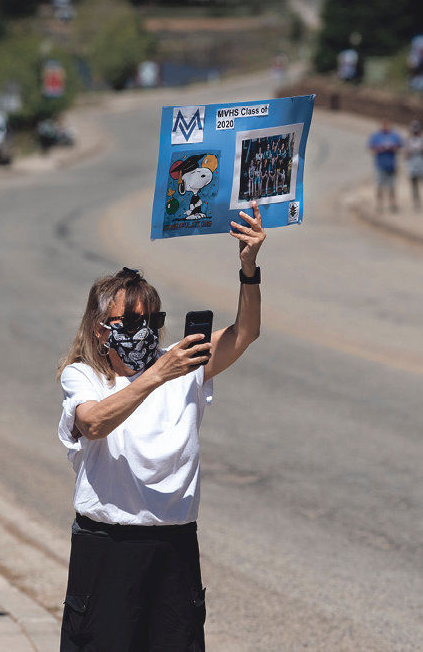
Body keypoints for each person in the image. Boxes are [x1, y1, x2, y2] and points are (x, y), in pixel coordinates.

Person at [57, 203, 266, 651]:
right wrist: (156, 375)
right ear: (100, 329)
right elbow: (92, 423)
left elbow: (244, 333)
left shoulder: (183, 365)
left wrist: (249, 268)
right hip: (109, 547)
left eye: (152, 320)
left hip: (173, 546)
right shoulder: (85, 376)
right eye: (130, 321)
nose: (144, 331)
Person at [367, 120, 404, 213]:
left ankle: (393, 204)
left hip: (391, 164)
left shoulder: (394, 136)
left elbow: (400, 146)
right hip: (380, 164)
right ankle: (379, 204)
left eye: (387, 125)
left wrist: (392, 148)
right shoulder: (376, 136)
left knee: (392, 186)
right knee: (380, 185)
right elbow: (371, 147)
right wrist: (379, 148)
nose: (385, 127)